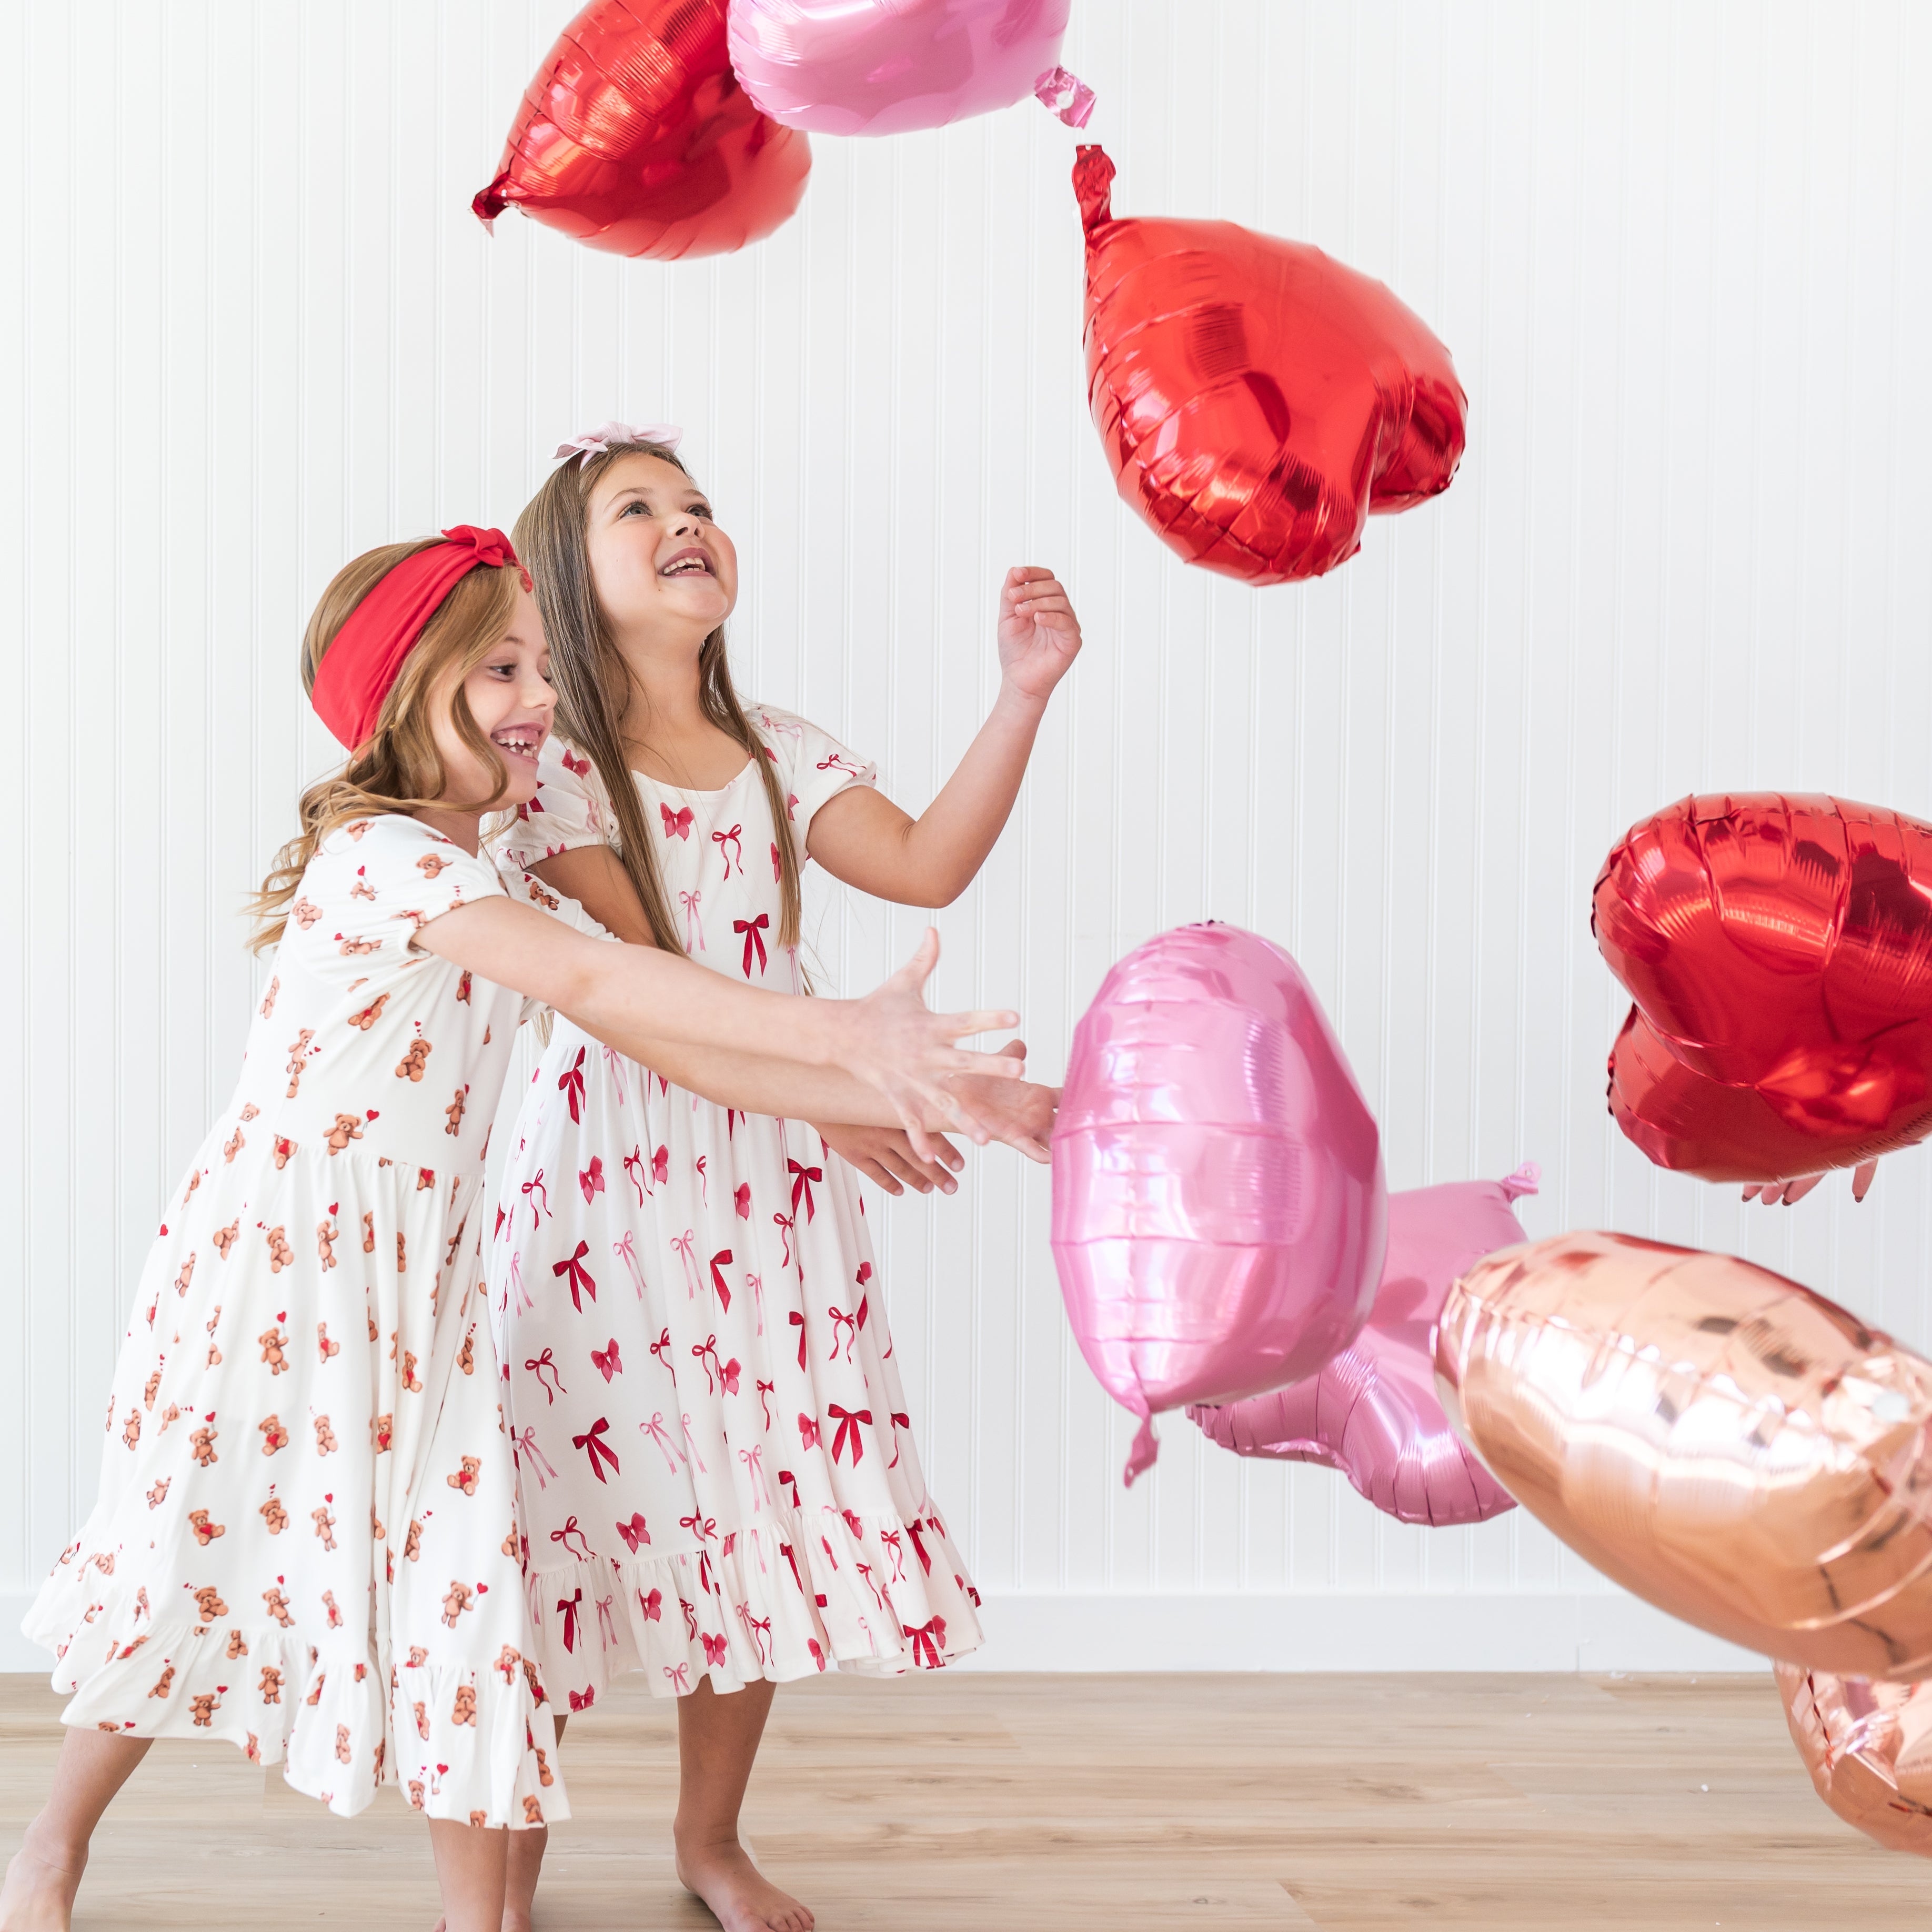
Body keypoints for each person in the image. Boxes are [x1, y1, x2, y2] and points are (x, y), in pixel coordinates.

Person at [0, 525, 1042, 1932]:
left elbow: (676, 1042)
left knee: (465, 1598)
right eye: (500, 667)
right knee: (199, 1551)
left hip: (428, 1290)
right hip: (282, 1279)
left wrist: (947, 1093)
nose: (536, 695)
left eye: (539, 664)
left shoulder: (501, 867)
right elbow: (595, 981)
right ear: (404, 688)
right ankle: (52, 1844)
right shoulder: (386, 863)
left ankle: (476, 1917)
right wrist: (852, 1036)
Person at [488, 424, 1081, 1932]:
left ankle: (711, 1839)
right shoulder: (552, 768)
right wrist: (845, 1097)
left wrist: (1019, 700)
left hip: (763, 1196)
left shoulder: (779, 751)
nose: (688, 525)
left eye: (698, 506)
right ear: (569, 573)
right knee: (558, 1511)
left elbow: (929, 865)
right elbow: (663, 1001)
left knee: (751, 1497)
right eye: (640, 512)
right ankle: (500, 1865)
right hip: (606, 1192)